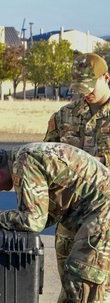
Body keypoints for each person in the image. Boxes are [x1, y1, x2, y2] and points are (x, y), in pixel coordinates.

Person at [0, 141, 110, 303]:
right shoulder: (25, 155)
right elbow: (46, 214)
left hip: (103, 214)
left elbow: (33, 221)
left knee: (83, 283)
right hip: (99, 212)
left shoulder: (24, 163)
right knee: (89, 287)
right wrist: (2, 220)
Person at [43, 52, 110, 293]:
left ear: (107, 77)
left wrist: (100, 161)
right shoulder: (63, 117)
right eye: (80, 87)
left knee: (100, 294)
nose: (86, 92)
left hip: (106, 224)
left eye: (90, 86)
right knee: (70, 291)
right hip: (70, 224)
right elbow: (45, 161)